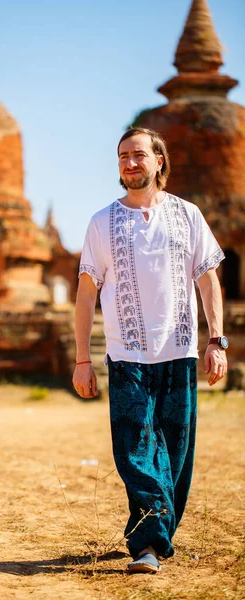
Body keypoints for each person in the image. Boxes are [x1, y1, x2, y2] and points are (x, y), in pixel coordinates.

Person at [73, 127, 228, 574]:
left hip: (179, 352)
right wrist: (83, 358)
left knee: (177, 452)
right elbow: (86, 294)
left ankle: (158, 534)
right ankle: (147, 544)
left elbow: (208, 279)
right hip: (126, 356)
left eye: (139, 154)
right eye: (123, 155)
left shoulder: (188, 215)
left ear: (159, 161)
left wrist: (216, 340)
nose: (129, 163)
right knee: (135, 450)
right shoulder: (102, 222)